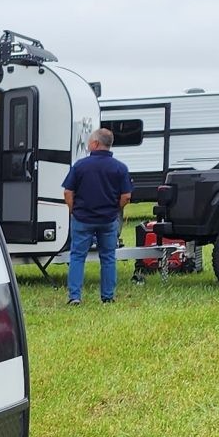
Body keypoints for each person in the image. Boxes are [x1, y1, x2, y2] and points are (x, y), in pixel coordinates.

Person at [63, 128, 132, 305]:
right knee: (108, 257)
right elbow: (126, 196)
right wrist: (114, 209)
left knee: (77, 257)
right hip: (108, 220)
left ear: (95, 144)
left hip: (82, 218)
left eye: (89, 142)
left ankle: (75, 297)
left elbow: (68, 191)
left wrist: (73, 210)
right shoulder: (120, 168)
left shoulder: (80, 166)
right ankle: (108, 297)